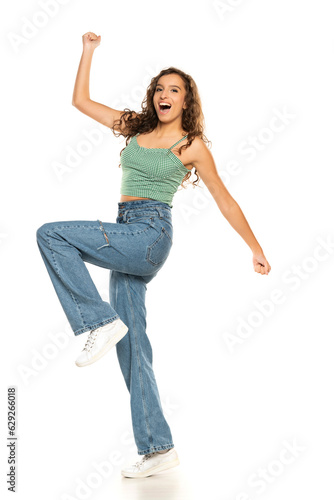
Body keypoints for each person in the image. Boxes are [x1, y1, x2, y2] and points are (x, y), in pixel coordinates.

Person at [36, 32, 271, 479]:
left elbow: (225, 200)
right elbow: (81, 101)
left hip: (149, 235)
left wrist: (256, 250)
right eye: (160, 89)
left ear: (186, 101)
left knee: (51, 235)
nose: (165, 95)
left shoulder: (192, 147)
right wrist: (88, 51)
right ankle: (159, 448)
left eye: (174, 90)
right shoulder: (137, 127)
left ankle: (94, 321)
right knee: (133, 348)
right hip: (124, 231)